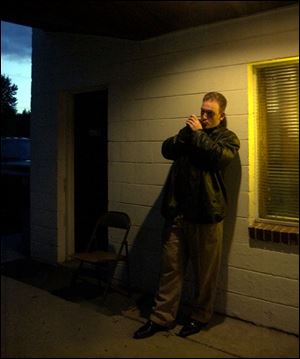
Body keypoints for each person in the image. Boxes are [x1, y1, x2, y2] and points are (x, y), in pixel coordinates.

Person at [133, 92, 240, 339]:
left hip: (206, 216)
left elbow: (218, 158)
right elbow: (167, 150)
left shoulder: (227, 138)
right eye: (202, 110)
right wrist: (185, 133)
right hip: (178, 215)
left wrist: (198, 135)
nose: (203, 116)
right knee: (170, 269)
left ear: (221, 116)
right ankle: (161, 318)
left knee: (205, 274)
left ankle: (200, 316)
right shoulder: (189, 134)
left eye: (210, 113)